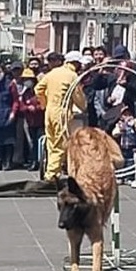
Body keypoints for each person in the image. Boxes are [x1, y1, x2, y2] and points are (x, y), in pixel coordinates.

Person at [34, 50, 86, 182]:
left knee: (51, 143)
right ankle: (50, 175)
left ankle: (52, 171)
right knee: (59, 144)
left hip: (49, 111)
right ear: (76, 63)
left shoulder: (52, 73)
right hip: (62, 113)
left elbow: (38, 89)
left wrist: (44, 103)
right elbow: (78, 97)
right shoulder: (72, 76)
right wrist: (83, 107)